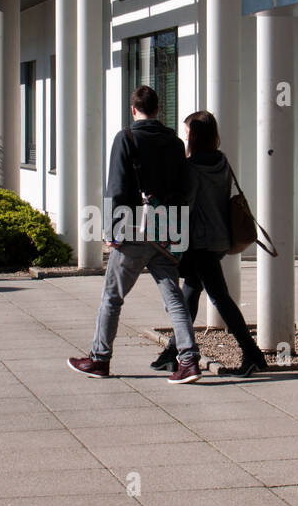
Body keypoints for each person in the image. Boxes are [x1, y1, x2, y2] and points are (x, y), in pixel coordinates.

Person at [68, 86, 202, 384]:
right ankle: (189, 360)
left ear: (133, 110)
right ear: (159, 110)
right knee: (174, 298)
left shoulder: (125, 138)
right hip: (167, 230)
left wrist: (112, 231)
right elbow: (183, 187)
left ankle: (99, 359)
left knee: (112, 297)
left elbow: (116, 187)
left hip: (133, 230)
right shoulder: (175, 143)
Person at [151, 111, 268, 377]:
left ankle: (252, 354)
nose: (184, 135)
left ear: (194, 135)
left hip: (200, 242)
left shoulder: (192, 168)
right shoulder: (222, 161)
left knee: (220, 298)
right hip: (218, 239)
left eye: (187, 131)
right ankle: (171, 353)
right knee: (189, 296)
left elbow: (187, 206)